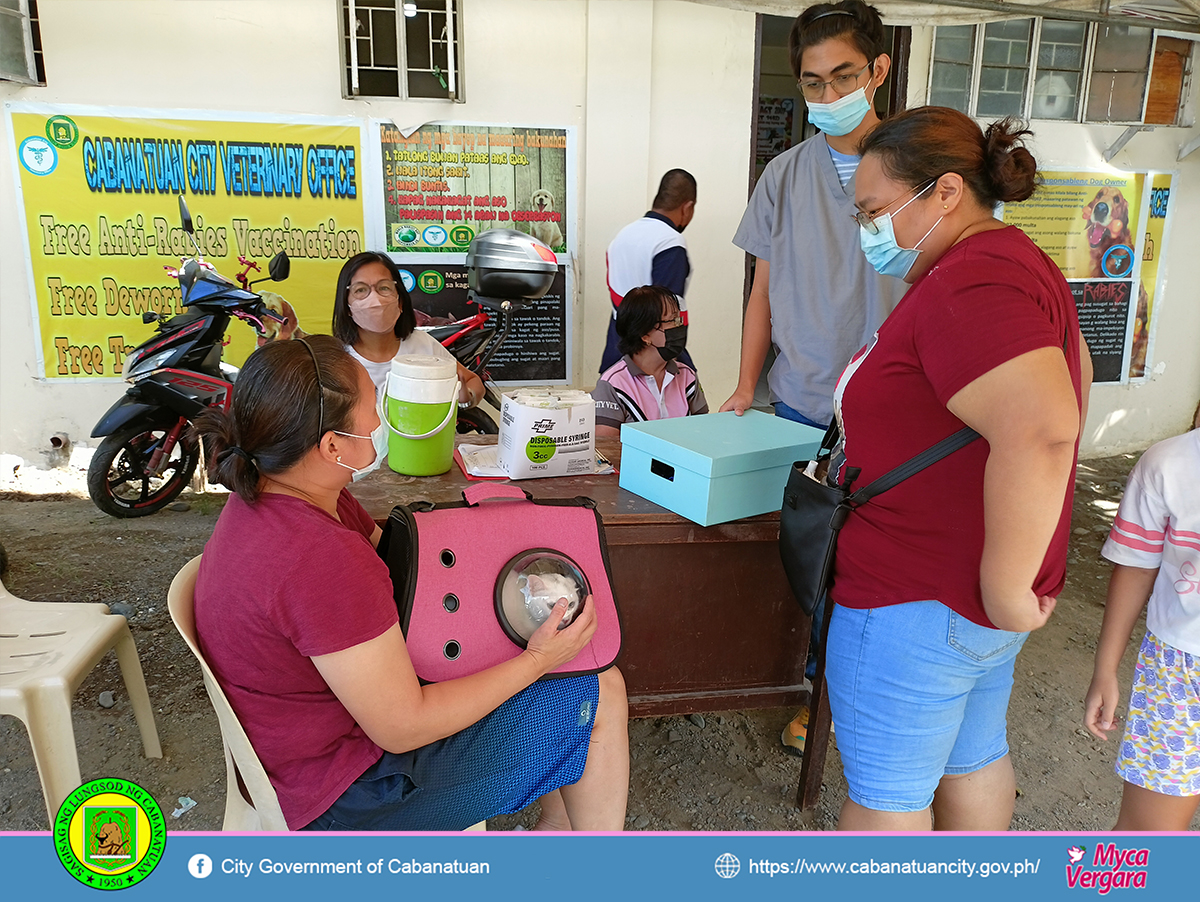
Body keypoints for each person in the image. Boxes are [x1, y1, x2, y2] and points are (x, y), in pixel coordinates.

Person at [192, 336, 629, 831]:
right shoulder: (319, 558)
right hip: (346, 792)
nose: (379, 423)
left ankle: (560, 829)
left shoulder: (282, 488)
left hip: (305, 744)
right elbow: (403, 727)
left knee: (541, 662)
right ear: (332, 445)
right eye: (369, 407)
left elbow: (405, 567)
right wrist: (536, 661)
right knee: (598, 690)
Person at [824, 106, 1093, 831]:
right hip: (961, 599)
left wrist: (1007, 584)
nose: (869, 230)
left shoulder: (966, 283)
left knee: (890, 797)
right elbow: (1076, 387)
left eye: (875, 210)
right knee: (971, 758)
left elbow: (1042, 429)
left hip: (917, 595)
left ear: (945, 192)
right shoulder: (1013, 263)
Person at [722, 1, 906, 753]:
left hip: (891, 408)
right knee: (807, 554)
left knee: (877, 567)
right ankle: (810, 683)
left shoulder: (920, 170)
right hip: (799, 404)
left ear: (878, 72)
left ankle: (845, 700)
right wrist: (743, 386)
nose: (829, 96)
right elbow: (761, 289)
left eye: (845, 77)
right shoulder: (784, 174)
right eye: (813, 82)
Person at [1084, 425, 1200, 829]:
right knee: (1147, 836)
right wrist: (1105, 668)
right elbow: (1135, 565)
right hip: (1178, 671)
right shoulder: (1169, 463)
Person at [333, 251, 484, 408]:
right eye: (361, 290)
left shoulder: (423, 345)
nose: (375, 300)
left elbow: (472, 381)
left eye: (384, 288)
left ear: (400, 300)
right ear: (346, 305)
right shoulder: (337, 360)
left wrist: (465, 398)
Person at [599, 169, 697, 374]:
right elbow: (667, 313)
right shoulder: (670, 242)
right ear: (687, 208)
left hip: (616, 352)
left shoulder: (622, 236)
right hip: (651, 361)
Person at [593, 285, 707, 438]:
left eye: (678, 319)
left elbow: (704, 431)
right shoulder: (613, 384)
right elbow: (607, 450)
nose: (679, 327)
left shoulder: (687, 376)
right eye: (672, 320)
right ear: (645, 335)